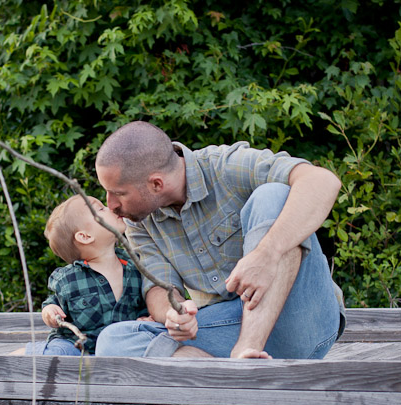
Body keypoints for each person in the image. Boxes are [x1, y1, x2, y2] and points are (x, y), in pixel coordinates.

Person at [93, 121, 346, 359]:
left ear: (156, 183)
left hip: (306, 323)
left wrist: (267, 254)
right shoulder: (139, 222)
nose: (110, 205)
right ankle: (235, 375)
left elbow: (323, 181)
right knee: (113, 342)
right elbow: (159, 286)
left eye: (117, 193)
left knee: (273, 195)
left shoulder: (226, 166)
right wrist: (174, 312)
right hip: (230, 328)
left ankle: (247, 351)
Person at [17, 194, 150, 356]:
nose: (111, 208)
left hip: (120, 344)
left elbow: (145, 300)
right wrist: (50, 312)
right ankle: (5, 361)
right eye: (101, 209)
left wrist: (147, 317)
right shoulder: (68, 279)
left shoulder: (135, 265)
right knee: (57, 352)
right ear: (85, 236)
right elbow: (52, 304)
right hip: (75, 345)